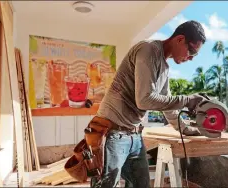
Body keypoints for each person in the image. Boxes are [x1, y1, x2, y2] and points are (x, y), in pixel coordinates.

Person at [88, 20, 207, 188]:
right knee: (106, 185)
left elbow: (168, 107)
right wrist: (187, 100)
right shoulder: (148, 49)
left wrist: (187, 129)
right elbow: (144, 100)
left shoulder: (164, 68)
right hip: (112, 131)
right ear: (180, 39)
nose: (190, 58)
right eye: (191, 51)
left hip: (134, 135)